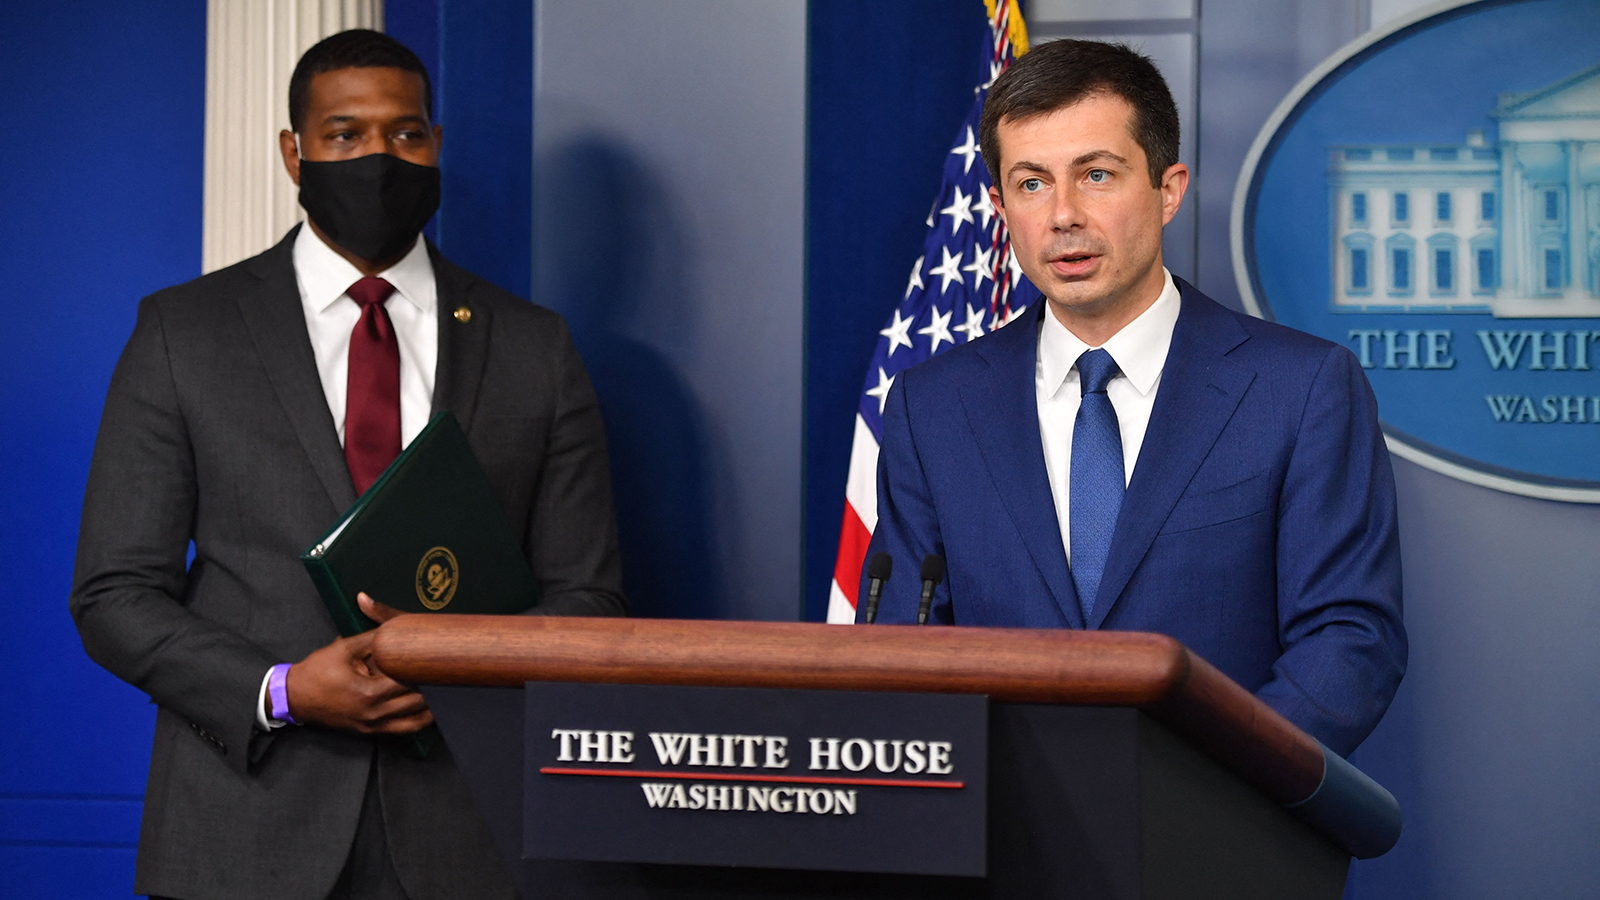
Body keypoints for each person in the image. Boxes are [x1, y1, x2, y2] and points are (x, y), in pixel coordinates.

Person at [70, 30, 625, 900]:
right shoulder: (184, 334)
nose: (379, 157)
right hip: (239, 840)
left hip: (472, 841)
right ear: (295, 152)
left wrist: (459, 667)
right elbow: (113, 595)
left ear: (435, 145)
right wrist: (284, 690)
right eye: (345, 135)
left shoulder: (534, 347)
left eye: (406, 134)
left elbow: (589, 598)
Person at [861, 40, 1405, 758]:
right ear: (998, 207)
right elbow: (905, 642)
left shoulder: (1301, 390)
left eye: (1096, 175)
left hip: (1224, 833)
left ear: (1168, 189)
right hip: (996, 842)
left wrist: (1208, 791)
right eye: (1031, 184)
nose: (1062, 215)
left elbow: (1349, 640)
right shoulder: (931, 407)